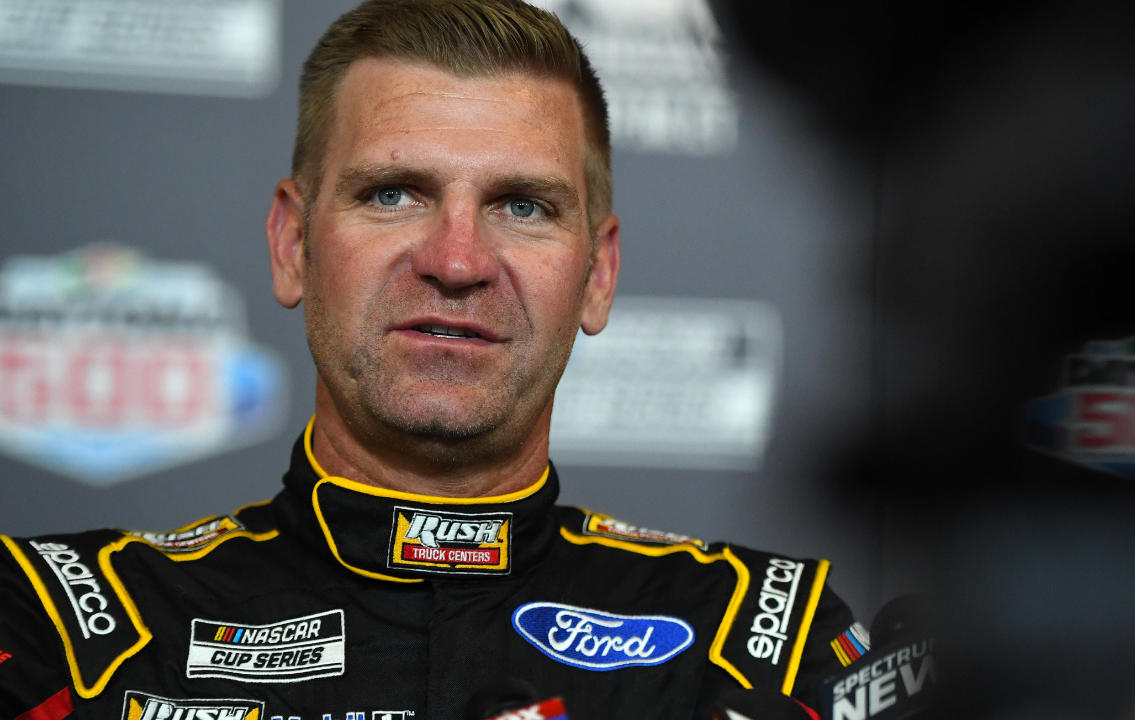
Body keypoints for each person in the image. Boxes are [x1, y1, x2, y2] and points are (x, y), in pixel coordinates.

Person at [0, 1, 856, 717]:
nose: (456, 260)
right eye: (393, 194)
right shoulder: (56, 630)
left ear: (598, 277)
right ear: (293, 243)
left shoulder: (770, 649)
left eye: (522, 205)